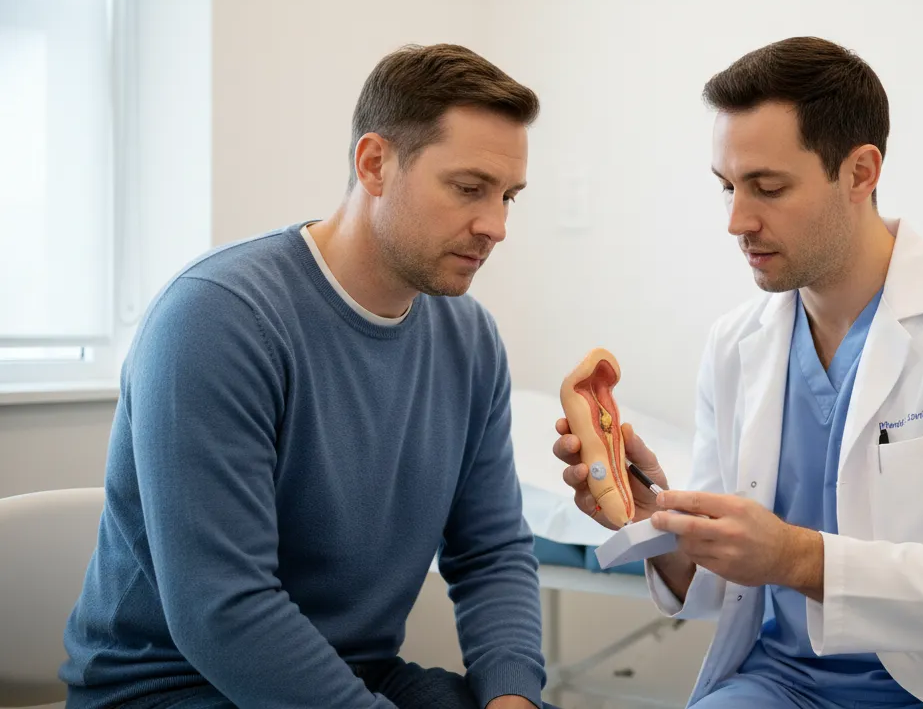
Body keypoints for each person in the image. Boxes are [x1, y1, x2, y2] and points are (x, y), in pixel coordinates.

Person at [553, 37, 923, 709]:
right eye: (727, 187)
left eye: (768, 187)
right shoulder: (736, 346)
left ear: (860, 172)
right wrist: (658, 522)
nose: (736, 221)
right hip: (783, 682)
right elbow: (720, 586)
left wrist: (795, 557)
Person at [62, 44, 556, 709]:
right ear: (375, 163)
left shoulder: (469, 341)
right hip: (172, 689)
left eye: (508, 196)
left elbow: (491, 551)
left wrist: (513, 699)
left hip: (354, 678)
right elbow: (224, 611)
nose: (494, 225)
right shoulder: (217, 320)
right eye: (469, 189)